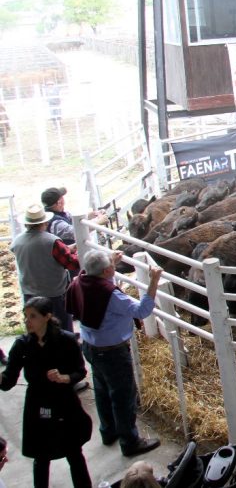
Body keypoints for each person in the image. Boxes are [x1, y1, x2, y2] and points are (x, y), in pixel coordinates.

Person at [71, 249, 163, 457]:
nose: (114, 269)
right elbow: (141, 311)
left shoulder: (80, 280)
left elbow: (100, 282)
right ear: (106, 271)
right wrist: (153, 281)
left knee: (102, 389)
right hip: (112, 352)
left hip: (90, 346)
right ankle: (130, 441)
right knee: (123, 396)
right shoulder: (110, 295)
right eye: (111, 268)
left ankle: (108, 431)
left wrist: (109, 265)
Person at [0, 297, 93, 488]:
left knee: (74, 454)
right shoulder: (22, 345)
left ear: (47, 317)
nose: (27, 321)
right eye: (25, 316)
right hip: (38, 403)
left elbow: (80, 371)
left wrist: (64, 378)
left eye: (32, 316)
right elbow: (8, 380)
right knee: (41, 458)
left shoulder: (66, 340)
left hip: (64, 402)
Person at [10, 205, 78, 332]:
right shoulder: (52, 241)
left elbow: (38, 253)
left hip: (29, 292)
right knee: (62, 327)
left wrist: (67, 249)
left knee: (36, 327)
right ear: (45, 222)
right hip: (54, 293)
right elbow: (71, 263)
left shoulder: (17, 241)